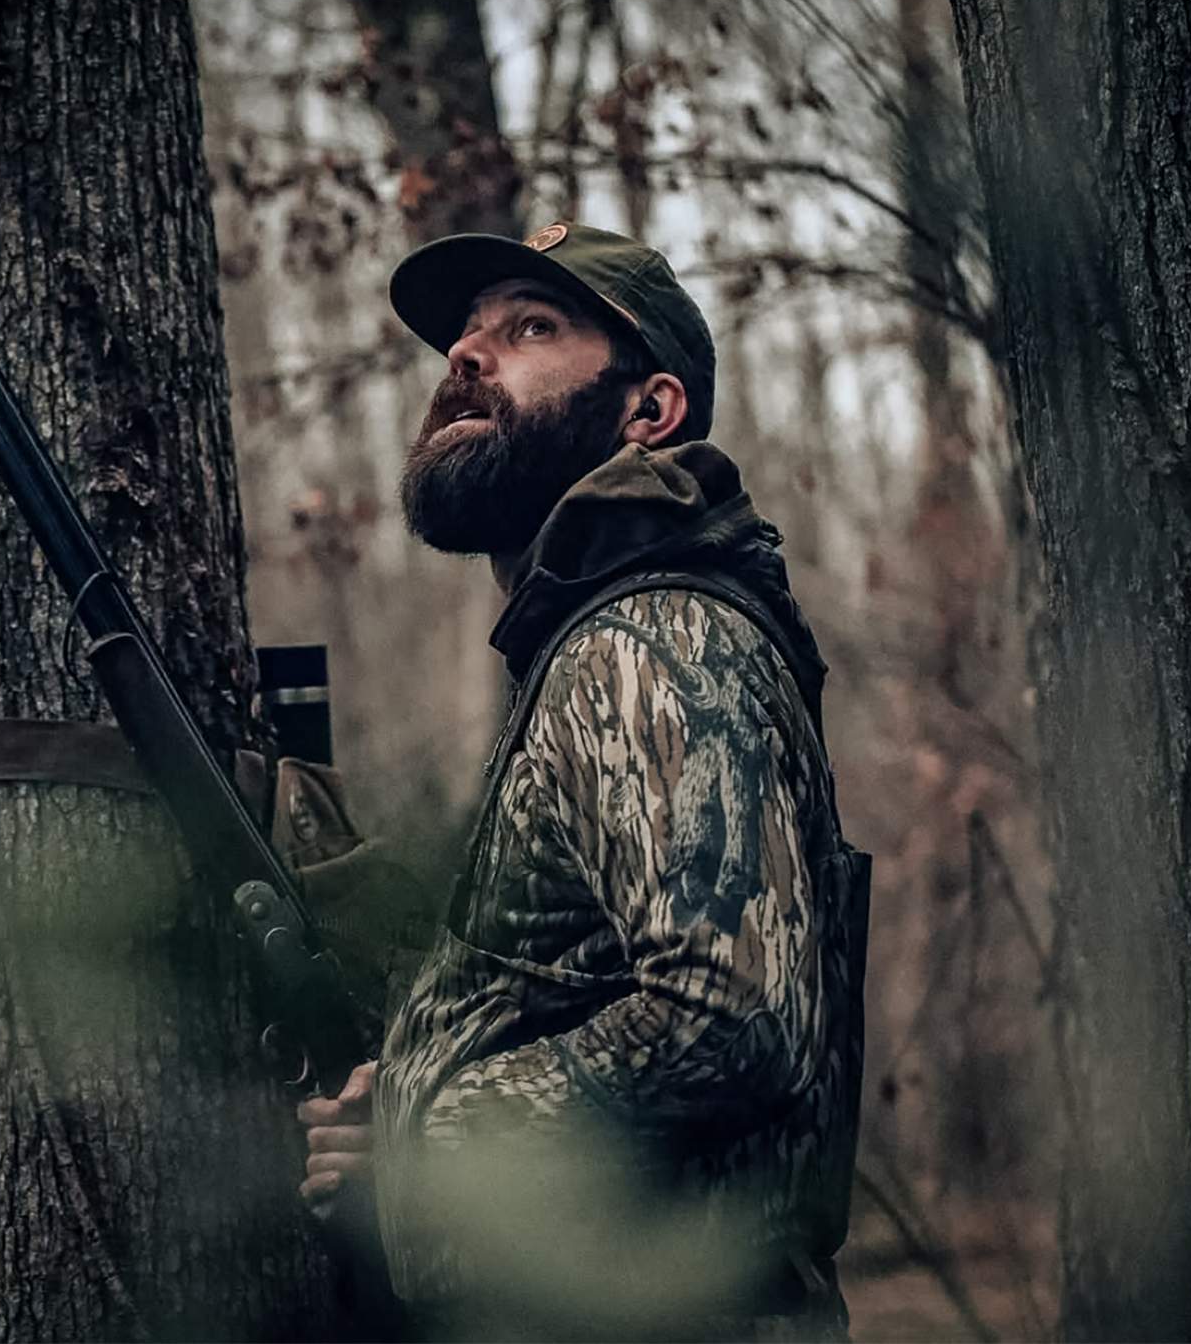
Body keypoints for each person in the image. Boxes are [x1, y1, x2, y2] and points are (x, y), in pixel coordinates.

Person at [297, 223, 870, 1342]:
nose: (465, 354)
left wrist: (432, 1143)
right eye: (463, 336)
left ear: (646, 411)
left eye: (529, 327)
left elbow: (735, 1009)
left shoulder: (655, 629)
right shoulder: (595, 642)